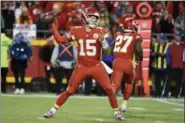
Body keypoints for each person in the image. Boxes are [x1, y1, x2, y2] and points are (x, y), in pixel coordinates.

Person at [43, 7, 124, 120]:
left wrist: (104, 42)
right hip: (82, 66)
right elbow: (60, 40)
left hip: (96, 66)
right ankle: (52, 110)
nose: (93, 20)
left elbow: (108, 51)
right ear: (85, 17)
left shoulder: (101, 31)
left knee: (109, 89)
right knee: (70, 90)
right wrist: (53, 26)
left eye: (95, 18)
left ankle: (117, 113)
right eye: (91, 17)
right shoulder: (76, 30)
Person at [112, 18, 143, 112]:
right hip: (127, 62)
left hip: (116, 61)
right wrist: (139, 59)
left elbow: (112, 47)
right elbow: (138, 49)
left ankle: (112, 98)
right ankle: (124, 104)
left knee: (115, 85)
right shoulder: (136, 36)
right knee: (129, 82)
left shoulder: (118, 35)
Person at [163, 31, 184, 98]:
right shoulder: (171, 45)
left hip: (180, 67)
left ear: (180, 37)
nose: (178, 37)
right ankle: (165, 94)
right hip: (172, 66)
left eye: (179, 36)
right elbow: (168, 56)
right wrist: (169, 63)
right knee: (168, 81)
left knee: (179, 82)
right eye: (177, 36)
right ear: (175, 37)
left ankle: (175, 94)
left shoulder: (183, 46)